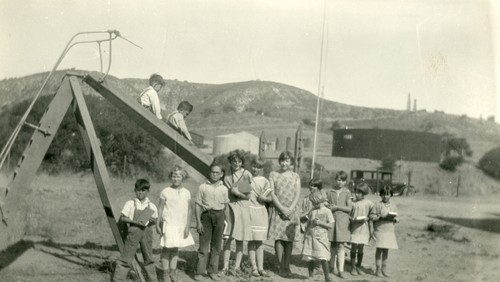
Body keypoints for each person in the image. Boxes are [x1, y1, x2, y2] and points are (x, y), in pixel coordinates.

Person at [113, 179, 158, 282]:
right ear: (135, 190)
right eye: (138, 190)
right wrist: (135, 222)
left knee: (149, 258)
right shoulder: (130, 203)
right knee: (126, 257)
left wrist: (152, 220)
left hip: (146, 232)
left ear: (148, 191)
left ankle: (152, 279)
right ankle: (118, 280)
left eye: (143, 190)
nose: (141, 193)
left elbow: (155, 220)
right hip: (133, 231)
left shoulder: (152, 206)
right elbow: (123, 218)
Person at [156, 166, 195, 282]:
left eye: (178, 176)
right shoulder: (165, 191)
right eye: (174, 176)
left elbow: (189, 210)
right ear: (170, 177)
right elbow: (160, 208)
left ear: (183, 177)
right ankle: (165, 274)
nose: (176, 179)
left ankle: (173, 272)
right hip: (169, 224)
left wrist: (187, 226)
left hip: (180, 225)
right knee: (166, 249)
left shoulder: (187, 193)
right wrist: (158, 223)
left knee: (175, 249)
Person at [267, 151, 301, 277]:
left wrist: (290, 209)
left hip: (292, 211)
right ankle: (281, 266)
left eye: (287, 161)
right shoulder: (273, 174)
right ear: (279, 161)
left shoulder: (295, 176)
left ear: (291, 162)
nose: (284, 163)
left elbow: (298, 194)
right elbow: (272, 193)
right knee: (279, 238)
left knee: (289, 239)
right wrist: (281, 208)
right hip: (278, 209)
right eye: (282, 160)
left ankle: (287, 265)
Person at [194, 162, 229, 281]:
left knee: (216, 246)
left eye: (217, 173)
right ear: (209, 173)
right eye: (212, 172)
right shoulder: (202, 187)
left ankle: (213, 271)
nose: (214, 175)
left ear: (221, 174)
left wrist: (227, 222)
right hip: (206, 217)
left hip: (219, 216)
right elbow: (198, 205)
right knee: (204, 247)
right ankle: (199, 272)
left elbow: (226, 206)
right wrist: (198, 222)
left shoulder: (224, 189)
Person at [221, 150, 253, 277]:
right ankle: (225, 266)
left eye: (239, 161)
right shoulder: (227, 173)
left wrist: (238, 193)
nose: (236, 164)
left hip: (241, 207)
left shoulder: (245, 174)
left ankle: (237, 266)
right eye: (234, 161)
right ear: (230, 162)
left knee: (240, 238)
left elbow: (247, 196)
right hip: (229, 206)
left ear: (242, 163)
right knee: (228, 237)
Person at [302, 191, 335, 282]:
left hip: (321, 238)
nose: (312, 204)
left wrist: (320, 223)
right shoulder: (312, 211)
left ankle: (327, 277)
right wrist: (305, 229)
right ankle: (311, 276)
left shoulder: (327, 211)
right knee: (310, 257)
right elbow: (308, 223)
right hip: (310, 237)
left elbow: (331, 225)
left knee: (323, 257)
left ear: (320, 202)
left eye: (314, 203)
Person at [248, 158, 273, 277]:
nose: (255, 169)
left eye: (258, 167)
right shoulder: (247, 178)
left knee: (260, 241)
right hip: (250, 211)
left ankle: (261, 267)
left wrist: (264, 198)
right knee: (252, 240)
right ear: (251, 166)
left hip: (261, 212)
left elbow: (270, 198)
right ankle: (253, 267)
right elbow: (243, 194)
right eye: (254, 166)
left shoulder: (265, 181)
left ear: (262, 169)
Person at [326, 171, 352, 279]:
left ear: (345, 182)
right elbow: (326, 204)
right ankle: (332, 267)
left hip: (342, 222)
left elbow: (349, 208)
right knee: (332, 245)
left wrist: (337, 207)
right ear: (335, 180)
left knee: (341, 245)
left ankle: (341, 269)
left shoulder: (347, 193)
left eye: (342, 180)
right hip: (332, 221)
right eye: (338, 180)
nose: (339, 182)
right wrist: (328, 206)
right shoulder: (330, 192)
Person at [370, 185, 399, 278]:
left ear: (390, 195)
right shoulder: (377, 205)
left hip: (389, 231)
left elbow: (396, 215)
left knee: (386, 251)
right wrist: (378, 217)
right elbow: (371, 216)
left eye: (387, 195)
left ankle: (384, 269)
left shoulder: (393, 206)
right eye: (383, 195)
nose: (385, 197)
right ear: (380, 195)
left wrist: (395, 219)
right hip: (380, 230)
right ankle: (378, 270)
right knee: (379, 250)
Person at [349, 182, 374, 276]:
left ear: (364, 193)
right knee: (353, 248)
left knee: (361, 249)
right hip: (354, 228)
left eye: (359, 193)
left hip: (364, 229)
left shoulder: (368, 203)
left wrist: (369, 217)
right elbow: (349, 215)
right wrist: (352, 219)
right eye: (356, 192)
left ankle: (359, 267)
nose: (356, 194)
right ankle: (353, 267)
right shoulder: (353, 203)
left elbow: (373, 212)